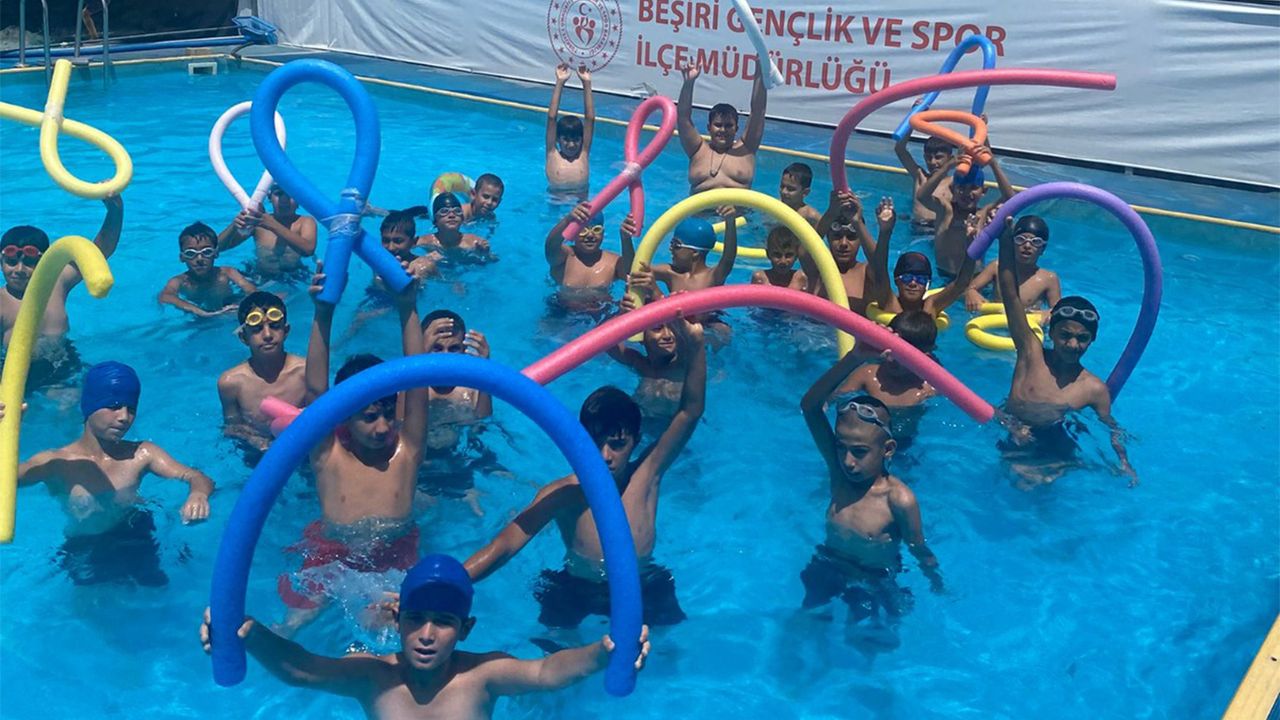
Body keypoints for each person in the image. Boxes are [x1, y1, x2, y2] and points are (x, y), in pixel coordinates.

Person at [464, 318, 707, 629]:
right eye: (595, 443)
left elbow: (689, 411)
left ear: (635, 441)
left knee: (667, 648)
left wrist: (696, 346)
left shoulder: (647, 475)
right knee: (554, 644)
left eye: (617, 445)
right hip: (577, 586)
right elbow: (504, 546)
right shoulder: (564, 494)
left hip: (642, 581)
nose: (605, 456)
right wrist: (449, 581)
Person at [202, 554, 649, 720]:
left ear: (465, 629)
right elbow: (302, 670)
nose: (427, 635)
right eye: (415, 619)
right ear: (397, 620)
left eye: (444, 622)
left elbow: (546, 671)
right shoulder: (373, 678)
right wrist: (248, 633)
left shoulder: (482, 676)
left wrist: (605, 651)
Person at [274, 265, 428, 632]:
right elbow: (316, 391)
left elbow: (418, 380)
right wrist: (322, 312)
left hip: (395, 556)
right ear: (344, 417)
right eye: (369, 417)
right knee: (295, 623)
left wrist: (408, 306)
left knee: (386, 629)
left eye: (388, 414)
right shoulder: (328, 457)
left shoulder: (406, 453)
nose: (383, 427)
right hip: (333, 554)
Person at [18, 361, 214, 586]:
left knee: (155, 594)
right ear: (90, 406)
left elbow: (196, 477)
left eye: (131, 409)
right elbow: (6, 481)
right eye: (114, 406)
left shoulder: (141, 454)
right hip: (85, 545)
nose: (124, 417)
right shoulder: (56, 463)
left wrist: (198, 494)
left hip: (135, 534)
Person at [800, 359, 943, 646]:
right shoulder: (839, 475)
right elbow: (810, 406)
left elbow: (918, 547)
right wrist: (854, 358)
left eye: (860, 451)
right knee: (808, 626)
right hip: (828, 563)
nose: (848, 461)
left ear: (887, 449)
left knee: (868, 642)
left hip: (873, 577)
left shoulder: (898, 499)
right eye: (840, 448)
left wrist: (936, 581)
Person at [992, 218, 1137, 489]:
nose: (1072, 344)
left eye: (1082, 338)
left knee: (1035, 492)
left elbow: (1110, 428)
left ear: (1092, 340)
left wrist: (1124, 462)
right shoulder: (1030, 353)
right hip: (1014, 436)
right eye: (1065, 335)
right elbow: (1011, 295)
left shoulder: (1094, 389)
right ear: (1050, 333)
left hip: (1058, 450)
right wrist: (1004, 242)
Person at [1, 195, 123, 390]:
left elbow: (100, 252)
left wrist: (115, 211)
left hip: (65, 359)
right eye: (11, 262)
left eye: (30, 262)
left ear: (45, 262)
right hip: (20, 373)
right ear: (1, 263)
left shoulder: (56, 283)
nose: (19, 270)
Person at [418, 309, 501, 512]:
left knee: (504, 477)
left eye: (454, 349)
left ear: (464, 352)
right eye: (436, 348)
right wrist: (417, 357)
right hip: (421, 462)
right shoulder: (413, 387)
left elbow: (482, 423)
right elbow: (403, 420)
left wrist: (484, 368)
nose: (445, 356)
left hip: (460, 458)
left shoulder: (470, 388)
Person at [217, 293, 308, 462]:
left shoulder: (305, 371)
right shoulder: (231, 383)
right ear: (243, 337)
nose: (267, 335)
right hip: (258, 452)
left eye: (275, 326)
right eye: (257, 329)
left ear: (286, 331)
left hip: (303, 444)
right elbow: (231, 427)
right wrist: (257, 441)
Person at [833, 310, 938, 446]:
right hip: (861, 444)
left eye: (902, 354)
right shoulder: (867, 375)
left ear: (924, 356)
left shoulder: (929, 389)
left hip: (904, 444)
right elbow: (832, 400)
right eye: (889, 349)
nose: (891, 358)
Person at [629, 211, 736, 341]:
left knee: (723, 331)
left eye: (676, 245)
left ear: (694, 252)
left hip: (705, 325)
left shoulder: (712, 276)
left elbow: (728, 258)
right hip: (676, 324)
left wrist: (730, 222)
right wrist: (626, 238)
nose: (670, 249)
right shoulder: (670, 272)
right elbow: (633, 269)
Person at [863, 197, 975, 320]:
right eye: (907, 277)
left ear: (928, 284)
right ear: (896, 280)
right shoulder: (889, 302)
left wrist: (972, 247)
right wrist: (885, 231)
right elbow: (879, 272)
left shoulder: (931, 306)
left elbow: (962, 283)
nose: (913, 283)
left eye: (921, 279)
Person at [916, 152, 1015, 280]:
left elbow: (1011, 199)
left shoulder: (983, 213)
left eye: (973, 188)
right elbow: (922, 196)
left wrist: (993, 164)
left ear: (983, 191)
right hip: (945, 277)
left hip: (974, 279)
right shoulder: (946, 210)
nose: (967, 193)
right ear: (953, 190)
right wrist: (946, 167)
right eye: (962, 188)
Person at [677, 64, 767, 193]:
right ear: (709, 127)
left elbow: (758, 111)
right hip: (700, 207)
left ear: (736, 128)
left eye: (729, 126)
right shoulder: (697, 150)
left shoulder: (746, 149)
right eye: (718, 125)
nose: (723, 130)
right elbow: (683, 117)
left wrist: (760, 70)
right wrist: (688, 83)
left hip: (736, 207)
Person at [544, 202, 637, 311]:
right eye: (583, 230)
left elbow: (631, 273)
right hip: (562, 312)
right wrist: (567, 220)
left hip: (600, 313)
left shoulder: (613, 262)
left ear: (603, 233)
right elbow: (551, 246)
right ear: (573, 233)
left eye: (596, 230)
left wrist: (626, 238)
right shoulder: (564, 257)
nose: (590, 235)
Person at [964, 214, 1061, 316]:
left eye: (1036, 242)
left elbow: (1058, 311)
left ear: (1042, 249)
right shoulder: (997, 267)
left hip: (1027, 322)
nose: (1027, 246)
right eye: (1020, 239)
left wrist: (1047, 314)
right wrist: (971, 293)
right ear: (1012, 244)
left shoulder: (1049, 279)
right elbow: (968, 288)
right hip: (994, 318)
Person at [220, 184, 318, 282]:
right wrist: (234, 226)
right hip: (261, 276)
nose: (284, 200)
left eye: (290, 195)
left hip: (294, 275)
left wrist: (272, 224)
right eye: (279, 194)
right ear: (270, 198)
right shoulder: (258, 223)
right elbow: (217, 248)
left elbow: (308, 250)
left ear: (299, 200)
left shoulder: (305, 222)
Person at [158, 222, 257, 317]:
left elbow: (251, 290)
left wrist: (240, 306)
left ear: (216, 253)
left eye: (207, 252)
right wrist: (199, 312)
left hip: (228, 307)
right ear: (182, 257)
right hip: (199, 315)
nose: (199, 259)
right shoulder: (180, 281)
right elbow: (165, 297)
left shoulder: (227, 273)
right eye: (191, 253)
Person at [803, 190, 875, 314]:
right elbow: (804, 250)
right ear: (828, 237)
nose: (843, 243)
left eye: (851, 237)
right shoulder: (818, 270)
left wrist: (858, 223)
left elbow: (879, 263)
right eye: (837, 236)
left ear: (860, 240)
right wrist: (831, 212)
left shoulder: (867, 274)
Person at [545, 63, 595, 192]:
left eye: (576, 140)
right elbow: (551, 118)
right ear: (557, 139)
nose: (571, 145)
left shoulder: (584, 153)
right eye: (566, 140)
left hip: (582, 200)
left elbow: (590, 119)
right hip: (556, 199)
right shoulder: (552, 153)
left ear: (582, 140)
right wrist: (560, 82)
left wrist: (586, 83)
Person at [894, 135, 955, 231]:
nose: (933, 162)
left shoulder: (953, 183)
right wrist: (911, 126)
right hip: (916, 229)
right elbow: (899, 149)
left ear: (950, 159)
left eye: (938, 157)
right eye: (929, 158)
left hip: (937, 231)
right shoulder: (920, 177)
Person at [417, 193, 493, 263]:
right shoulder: (424, 242)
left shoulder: (474, 242)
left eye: (457, 211)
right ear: (435, 220)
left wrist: (485, 255)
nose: (452, 215)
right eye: (444, 211)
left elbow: (493, 260)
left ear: (462, 219)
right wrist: (425, 259)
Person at [750, 226, 809, 290]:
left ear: (796, 256)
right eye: (777, 255)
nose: (783, 261)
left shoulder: (801, 278)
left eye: (788, 255)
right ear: (768, 254)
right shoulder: (760, 279)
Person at [778, 162, 821, 227]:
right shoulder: (775, 206)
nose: (784, 191)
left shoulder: (811, 216)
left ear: (805, 192)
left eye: (790, 189)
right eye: (782, 186)